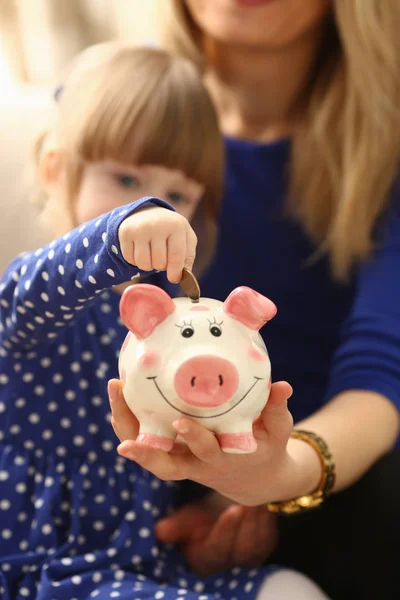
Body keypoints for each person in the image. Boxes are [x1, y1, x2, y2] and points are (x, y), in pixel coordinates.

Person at [0, 41, 329, 600]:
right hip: (43, 570)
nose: (157, 205)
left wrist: (203, 530)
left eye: (178, 194)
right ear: (56, 171)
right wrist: (118, 231)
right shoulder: (36, 301)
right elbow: (25, 292)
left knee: (290, 586)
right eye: (125, 179)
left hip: (148, 564)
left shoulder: (175, 329)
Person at [108, 2, 400, 599]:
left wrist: (274, 477)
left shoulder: (385, 147)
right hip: (152, 477)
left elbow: (381, 372)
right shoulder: (113, 110)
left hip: (329, 471)